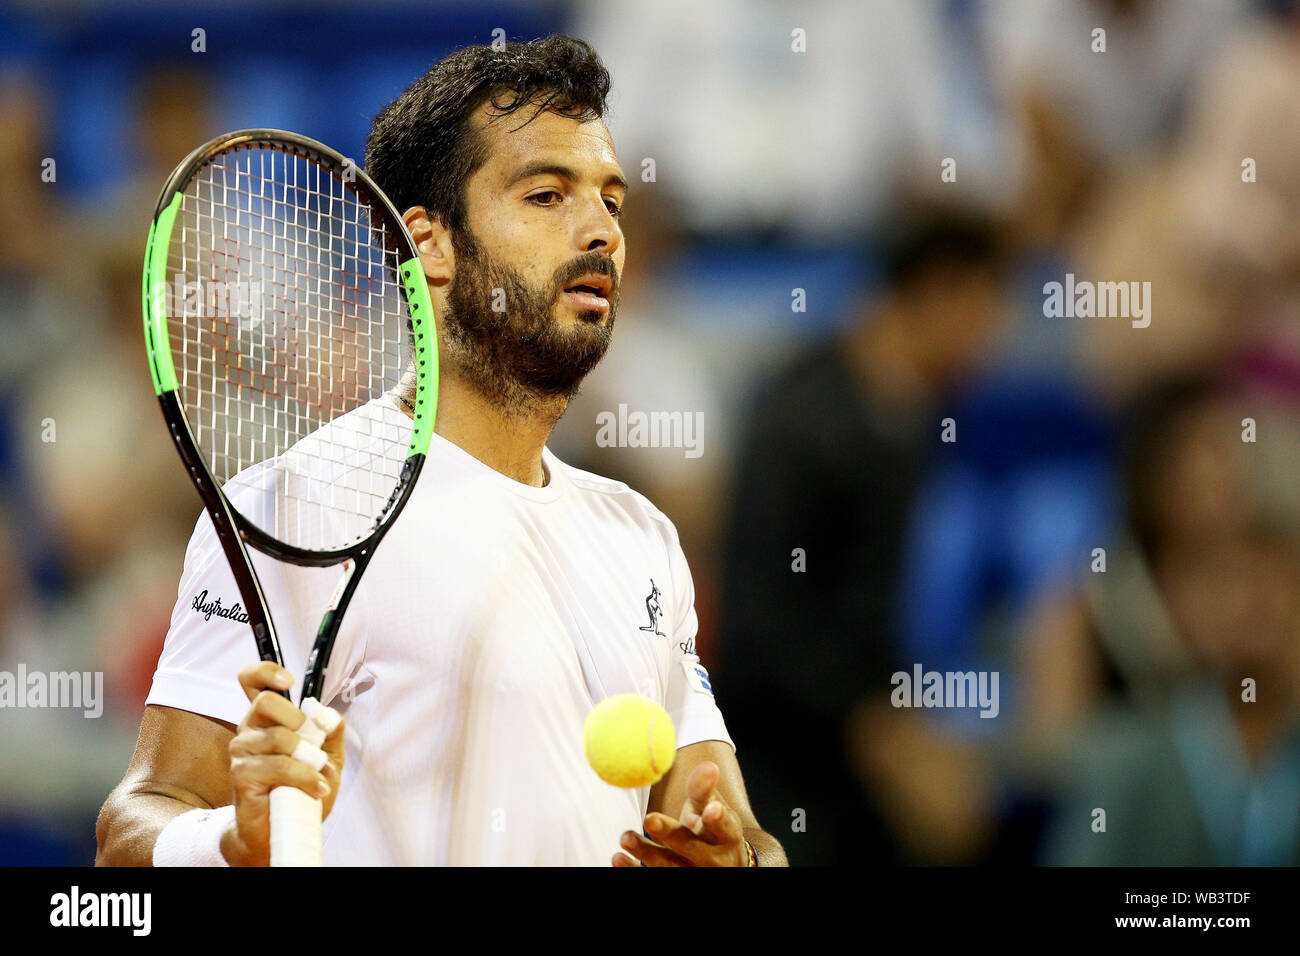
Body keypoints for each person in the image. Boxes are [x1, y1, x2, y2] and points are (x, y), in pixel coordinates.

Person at [95, 35, 786, 867]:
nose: (600, 230)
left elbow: (741, 832)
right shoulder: (291, 508)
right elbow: (134, 825)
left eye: (612, 200)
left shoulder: (643, 537)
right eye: (544, 195)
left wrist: (735, 859)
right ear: (429, 244)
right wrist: (230, 841)